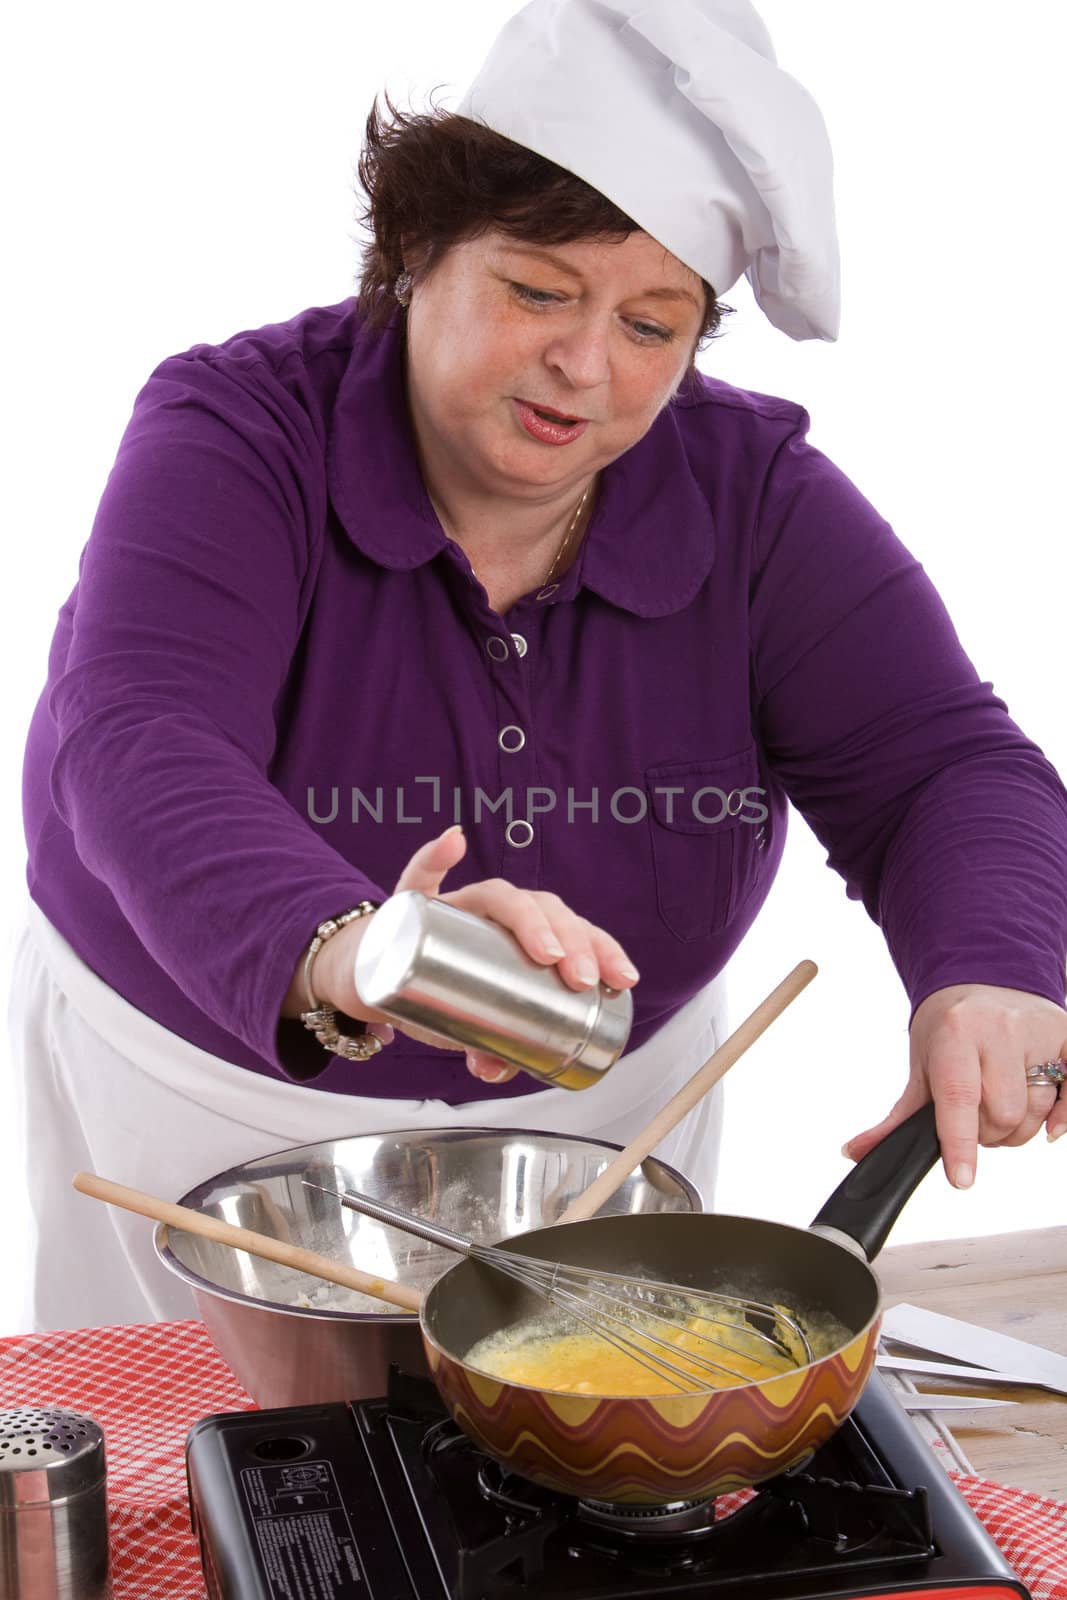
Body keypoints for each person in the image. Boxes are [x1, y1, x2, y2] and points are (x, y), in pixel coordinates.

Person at [11, 0, 1067, 1332]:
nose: (586, 366)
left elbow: (941, 765)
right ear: (412, 251)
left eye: (652, 325)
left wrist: (993, 967)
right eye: (540, 290)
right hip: (209, 1107)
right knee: (201, 1501)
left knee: (569, 1501)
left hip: (602, 1129)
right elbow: (139, 735)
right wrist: (363, 951)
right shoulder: (235, 430)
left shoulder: (759, 501)